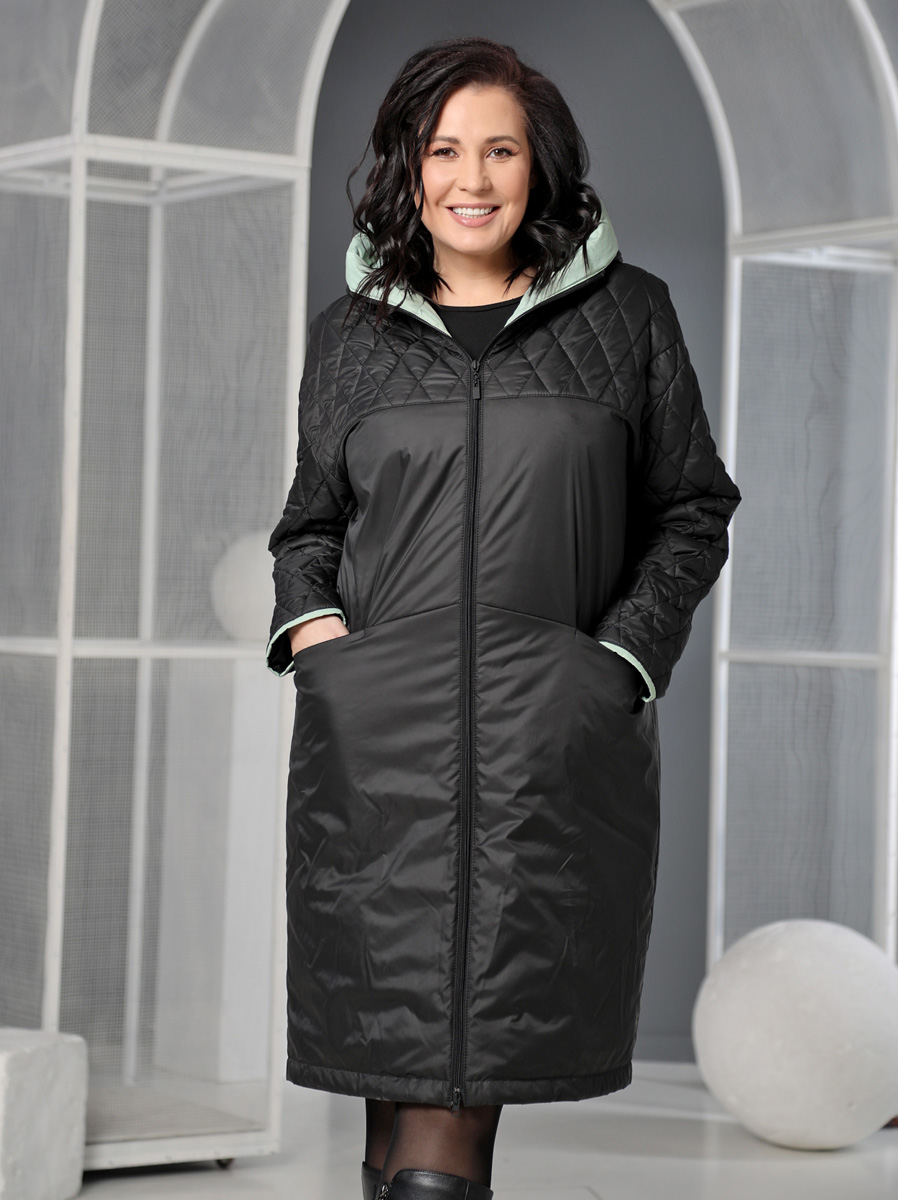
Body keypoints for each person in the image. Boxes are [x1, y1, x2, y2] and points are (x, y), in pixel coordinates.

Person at [266, 36, 741, 1200]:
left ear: (541, 166)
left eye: (501, 150)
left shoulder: (629, 316)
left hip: (546, 754)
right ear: (408, 167)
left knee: (443, 1120)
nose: (470, 179)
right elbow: (309, 525)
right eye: (444, 151)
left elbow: (692, 508)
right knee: (393, 1113)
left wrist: (618, 660)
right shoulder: (351, 334)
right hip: (375, 763)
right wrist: (321, 641)